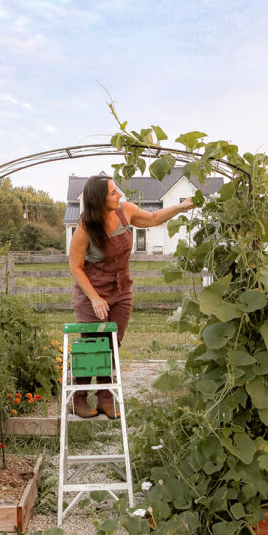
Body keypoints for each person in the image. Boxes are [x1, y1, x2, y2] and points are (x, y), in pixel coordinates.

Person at [69, 175, 194, 418]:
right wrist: (95, 298)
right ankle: (79, 397)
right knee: (92, 344)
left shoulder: (125, 211)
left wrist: (181, 206)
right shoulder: (86, 226)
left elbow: (154, 218)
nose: (119, 196)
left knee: (112, 342)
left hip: (121, 288)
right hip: (91, 291)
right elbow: (75, 267)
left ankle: (105, 396)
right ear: (99, 199)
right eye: (113, 193)